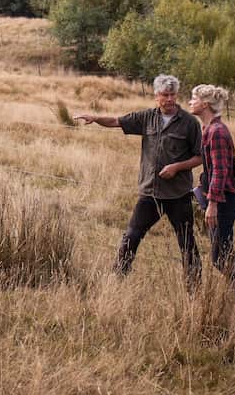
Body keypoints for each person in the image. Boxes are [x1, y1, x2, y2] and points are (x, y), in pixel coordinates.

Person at [75, 75, 203, 288]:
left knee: (187, 242)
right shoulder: (147, 118)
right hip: (150, 193)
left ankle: (195, 287)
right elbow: (117, 121)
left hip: (178, 194)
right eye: (165, 95)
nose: (170, 99)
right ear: (156, 97)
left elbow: (199, 156)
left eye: (173, 95)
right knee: (131, 236)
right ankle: (116, 280)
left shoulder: (189, 123)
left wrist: (176, 167)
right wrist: (95, 118)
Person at [188, 84, 235, 288]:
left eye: (193, 98)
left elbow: (220, 171)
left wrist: (212, 204)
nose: (190, 102)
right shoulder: (208, 129)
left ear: (204, 104)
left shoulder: (217, 132)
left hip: (224, 201)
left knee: (220, 256)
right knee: (222, 252)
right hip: (220, 200)